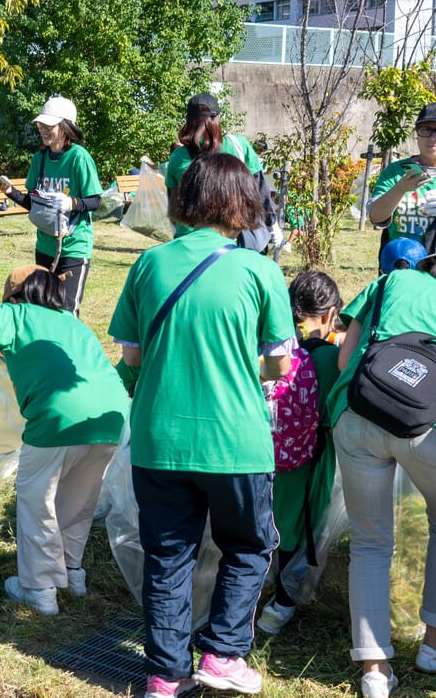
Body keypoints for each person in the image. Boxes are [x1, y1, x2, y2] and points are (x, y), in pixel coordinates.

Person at [109, 151, 293, 698]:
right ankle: (223, 652)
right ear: (242, 203)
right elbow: (280, 362)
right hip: (236, 440)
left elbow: (134, 357)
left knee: (167, 556)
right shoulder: (259, 270)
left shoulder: (149, 264)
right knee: (249, 546)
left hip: (159, 439)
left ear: (186, 198)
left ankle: (165, 675)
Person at [0, 265, 128, 616]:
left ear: (17, 297)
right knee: (77, 501)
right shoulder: (73, 323)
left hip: (57, 419)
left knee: (38, 502)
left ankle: (39, 590)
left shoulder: (17, 314)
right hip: (110, 418)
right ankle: (72, 574)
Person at [324, 248, 436, 698]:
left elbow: (343, 362)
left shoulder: (388, 283)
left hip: (359, 415)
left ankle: (374, 671)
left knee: (371, 542)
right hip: (432, 429)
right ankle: (435, 648)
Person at [256, 271, 342, 636]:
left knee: (262, 524)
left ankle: (252, 594)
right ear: (329, 315)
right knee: (302, 527)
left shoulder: (271, 350)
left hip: (261, 456)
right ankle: (281, 607)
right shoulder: (333, 360)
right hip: (309, 460)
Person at [0, 95, 102, 314]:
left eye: (49, 125)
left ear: (65, 127)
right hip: (44, 246)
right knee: (43, 308)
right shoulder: (39, 159)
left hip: (73, 247)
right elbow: (34, 205)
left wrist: (71, 203)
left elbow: (95, 201)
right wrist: (11, 192)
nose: (43, 129)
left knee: (67, 311)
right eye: (41, 124)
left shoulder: (79, 158)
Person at [165, 93, 278, 254]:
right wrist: (271, 224)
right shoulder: (239, 145)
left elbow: (173, 204)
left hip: (190, 242)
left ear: (188, 120)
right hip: (234, 241)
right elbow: (261, 191)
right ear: (217, 118)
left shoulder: (178, 157)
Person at [367, 100, 436, 260]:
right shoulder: (395, 172)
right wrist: (400, 188)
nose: (433, 137)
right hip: (400, 270)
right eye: (426, 129)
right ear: (416, 133)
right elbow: (376, 217)